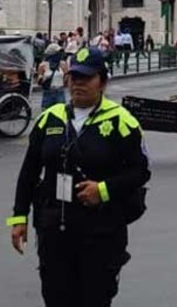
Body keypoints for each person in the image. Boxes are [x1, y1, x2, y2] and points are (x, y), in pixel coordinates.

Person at [8, 47, 151, 307]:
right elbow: (29, 172)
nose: (79, 84)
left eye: (87, 78)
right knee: (56, 298)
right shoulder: (49, 120)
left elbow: (140, 171)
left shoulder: (122, 122)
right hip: (55, 231)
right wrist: (19, 218)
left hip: (101, 234)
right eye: (74, 78)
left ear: (103, 82)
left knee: (95, 299)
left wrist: (103, 190)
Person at [37, 44, 69, 110]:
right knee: (46, 113)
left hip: (59, 92)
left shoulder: (63, 64)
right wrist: (42, 79)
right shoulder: (43, 65)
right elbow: (39, 79)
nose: (59, 54)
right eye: (57, 52)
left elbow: (67, 78)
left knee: (61, 113)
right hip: (48, 92)